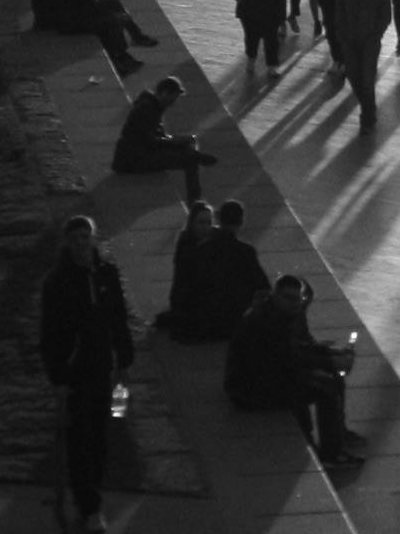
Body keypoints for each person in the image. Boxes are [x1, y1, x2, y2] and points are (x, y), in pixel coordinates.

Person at [38, 213, 131, 534]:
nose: (82, 243)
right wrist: (59, 378)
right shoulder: (58, 282)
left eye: (86, 236)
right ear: (68, 241)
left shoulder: (106, 274)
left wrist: (125, 357)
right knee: (80, 437)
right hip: (76, 371)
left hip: (102, 366)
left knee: (101, 436)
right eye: (76, 237)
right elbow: (50, 334)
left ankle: (92, 492)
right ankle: (89, 504)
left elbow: (118, 318)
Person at [224, 271, 361, 470]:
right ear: (275, 295)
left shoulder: (276, 314)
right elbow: (290, 359)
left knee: (329, 380)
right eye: (289, 298)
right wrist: (331, 362)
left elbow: (297, 348)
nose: (295, 303)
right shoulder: (267, 322)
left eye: (298, 299)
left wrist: (329, 353)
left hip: (265, 377)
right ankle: (332, 453)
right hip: (251, 389)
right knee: (326, 388)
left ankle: (337, 436)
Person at [160, 198, 268, 345]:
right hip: (234, 321)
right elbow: (263, 287)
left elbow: (189, 286)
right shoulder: (246, 251)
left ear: (218, 220)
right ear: (241, 222)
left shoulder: (201, 250)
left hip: (205, 322)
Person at [110, 74, 210, 207]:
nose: (173, 103)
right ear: (164, 93)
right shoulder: (148, 109)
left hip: (135, 153)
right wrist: (173, 141)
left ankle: (195, 157)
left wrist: (176, 140)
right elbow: (150, 141)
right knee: (190, 161)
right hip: (132, 160)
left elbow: (154, 137)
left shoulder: (153, 106)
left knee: (189, 144)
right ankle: (196, 204)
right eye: (172, 98)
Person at [332, 0, 393, 132]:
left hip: (369, 41)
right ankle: (368, 108)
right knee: (353, 76)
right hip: (349, 40)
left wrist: (376, 34)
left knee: (367, 79)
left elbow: (385, 14)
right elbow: (339, 11)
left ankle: (367, 116)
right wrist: (341, 34)